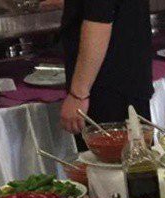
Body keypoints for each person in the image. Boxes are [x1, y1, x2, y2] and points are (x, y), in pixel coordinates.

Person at [58, 0, 154, 134]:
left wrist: (78, 95)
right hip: (126, 79)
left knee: (113, 146)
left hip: (108, 86)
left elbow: (98, 23)